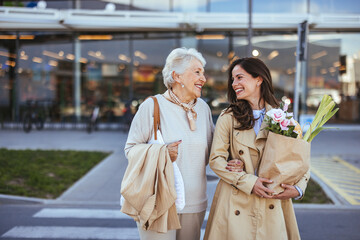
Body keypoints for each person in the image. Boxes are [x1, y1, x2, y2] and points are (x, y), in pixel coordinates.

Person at [204, 57, 310, 240]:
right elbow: (215, 160)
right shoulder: (228, 117)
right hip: (236, 199)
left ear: (258, 79)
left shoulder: (283, 117)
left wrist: (299, 189)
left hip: (273, 201)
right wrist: (249, 182)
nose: (234, 83)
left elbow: (300, 158)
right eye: (233, 79)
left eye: (239, 77)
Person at [122, 47, 214, 240]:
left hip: (195, 202)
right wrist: (162, 153)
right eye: (197, 72)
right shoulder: (152, 106)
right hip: (158, 201)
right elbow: (130, 149)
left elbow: (212, 152)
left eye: (203, 73)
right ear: (177, 76)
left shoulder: (203, 108)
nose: (203, 78)